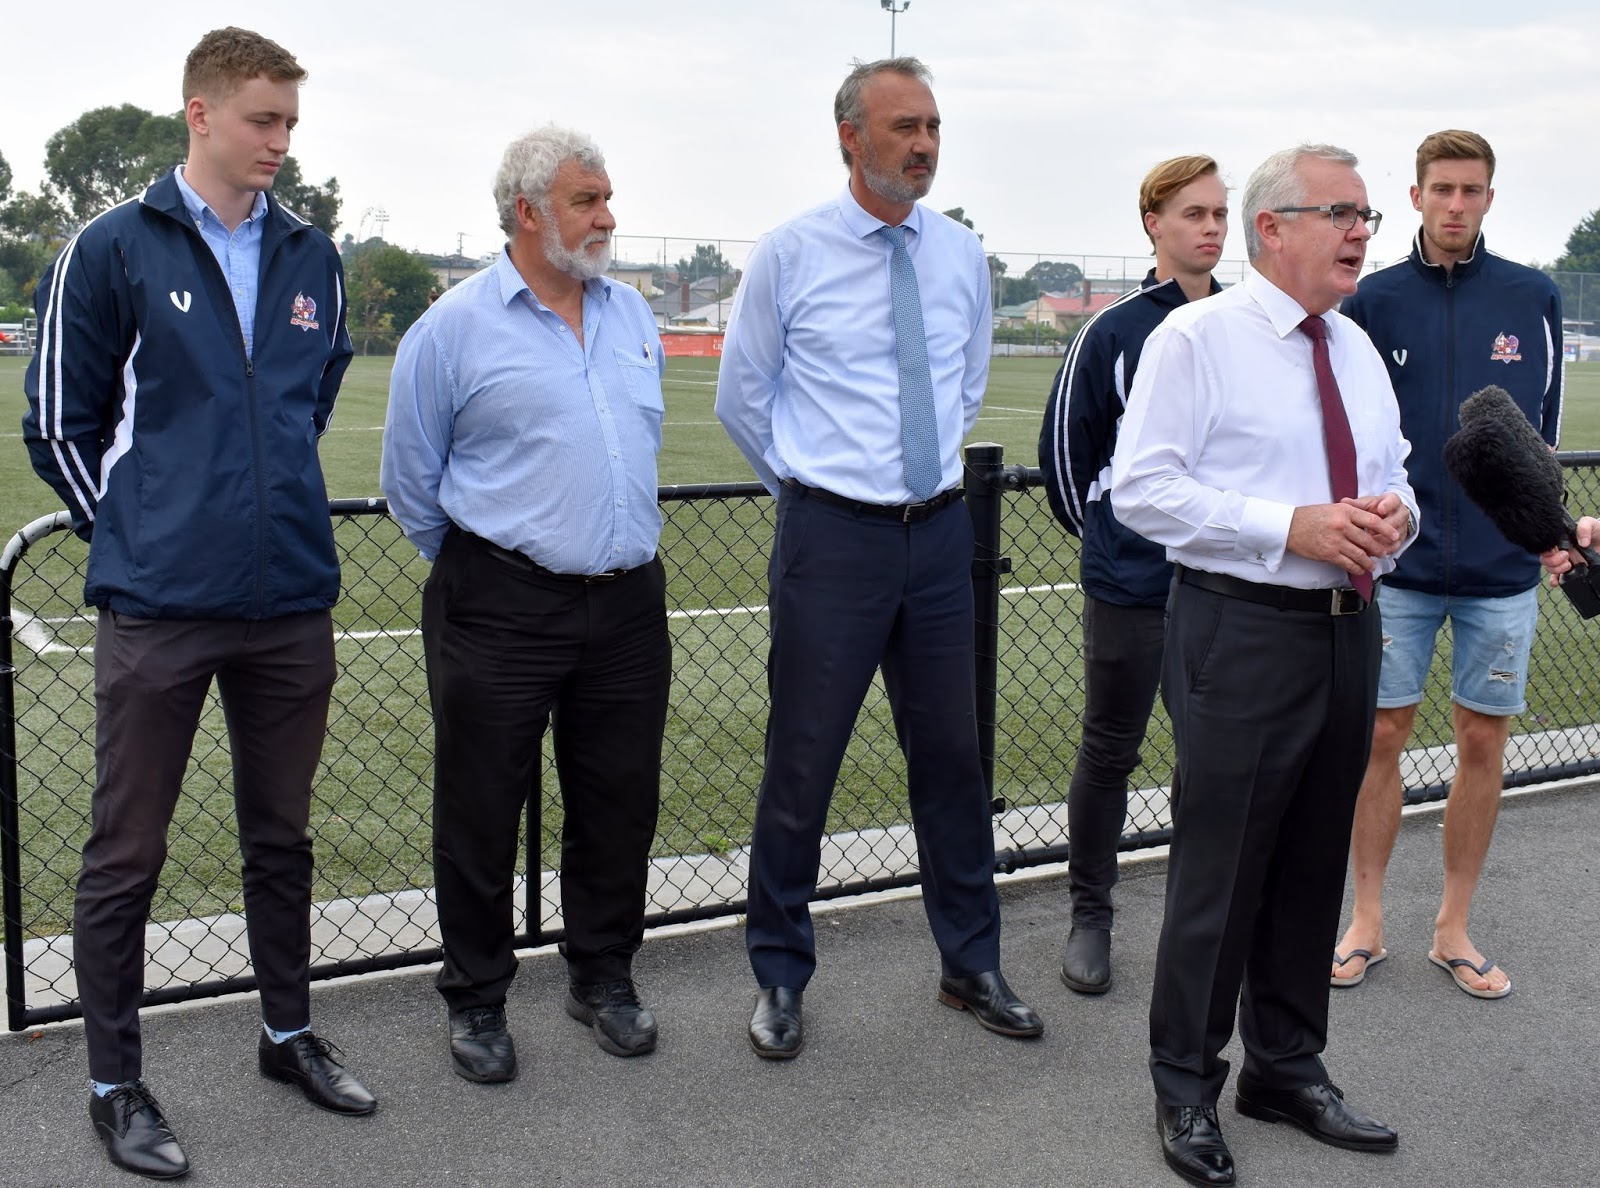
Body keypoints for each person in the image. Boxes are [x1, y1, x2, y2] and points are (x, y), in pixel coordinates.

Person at [22, 26, 373, 1180]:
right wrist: (138, 534)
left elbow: (305, 408)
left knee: (282, 839)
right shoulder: (113, 247)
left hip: (288, 605)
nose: (280, 143)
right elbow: (58, 422)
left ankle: (286, 1033)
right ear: (202, 114)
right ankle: (115, 1084)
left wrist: (253, 517)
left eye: (290, 125)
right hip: (160, 608)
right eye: (263, 121)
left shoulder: (314, 256)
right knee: (128, 853)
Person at [716, 56, 1042, 1060]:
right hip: (833, 541)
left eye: (934, 126)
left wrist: (910, 489)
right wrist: (818, 497)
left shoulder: (957, 256)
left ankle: (969, 961)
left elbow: (964, 382)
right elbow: (743, 398)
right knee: (802, 765)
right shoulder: (792, 253)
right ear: (850, 138)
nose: (924, 144)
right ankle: (778, 972)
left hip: (938, 537)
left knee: (951, 758)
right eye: (903, 127)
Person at [1111, 144, 1415, 1186]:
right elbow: (1140, 492)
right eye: (1341, 213)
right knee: (1222, 868)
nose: (1360, 233)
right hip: (1240, 628)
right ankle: (1184, 1083)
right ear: (1272, 227)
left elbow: (1394, 480)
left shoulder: (1356, 348)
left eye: (1366, 217)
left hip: (1345, 627)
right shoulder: (1197, 338)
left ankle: (1285, 1065)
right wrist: (1284, 524)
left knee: (1308, 860)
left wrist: (1393, 517)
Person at [382, 125, 670, 1085]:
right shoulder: (454, 327)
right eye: (587, 200)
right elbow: (411, 482)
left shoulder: (630, 314)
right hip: (499, 600)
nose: (607, 215)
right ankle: (475, 1000)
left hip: (628, 603)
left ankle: (603, 977)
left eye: (606, 195)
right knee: (480, 809)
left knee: (619, 799)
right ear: (529, 211)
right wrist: (494, 562)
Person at [1332, 131, 1564, 1000]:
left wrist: (1546, 530)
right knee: (1380, 737)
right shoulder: (1374, 299)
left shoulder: (1531, 295)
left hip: (1501, 569)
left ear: (1489, 198)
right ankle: (1366, 919)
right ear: (1418, 195)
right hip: (1397, 563)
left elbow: (1539, 435)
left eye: (1471, 190)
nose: (1456, 204)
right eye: (1442, 189)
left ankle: (1453, 927)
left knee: (1480, 741)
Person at [1038, 155, 1228, 995]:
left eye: (1220, 214)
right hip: (1133, 589)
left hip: (1226, 588)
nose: (1211, 228)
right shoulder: (1113, 331)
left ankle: (1203, 921)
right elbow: (1066, 462)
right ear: (1153, 223)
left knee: (1214, 756)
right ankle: (1091, 914)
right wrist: (1123, 543)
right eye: (1193, 213)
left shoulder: (1249, 322)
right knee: (1110, 748)